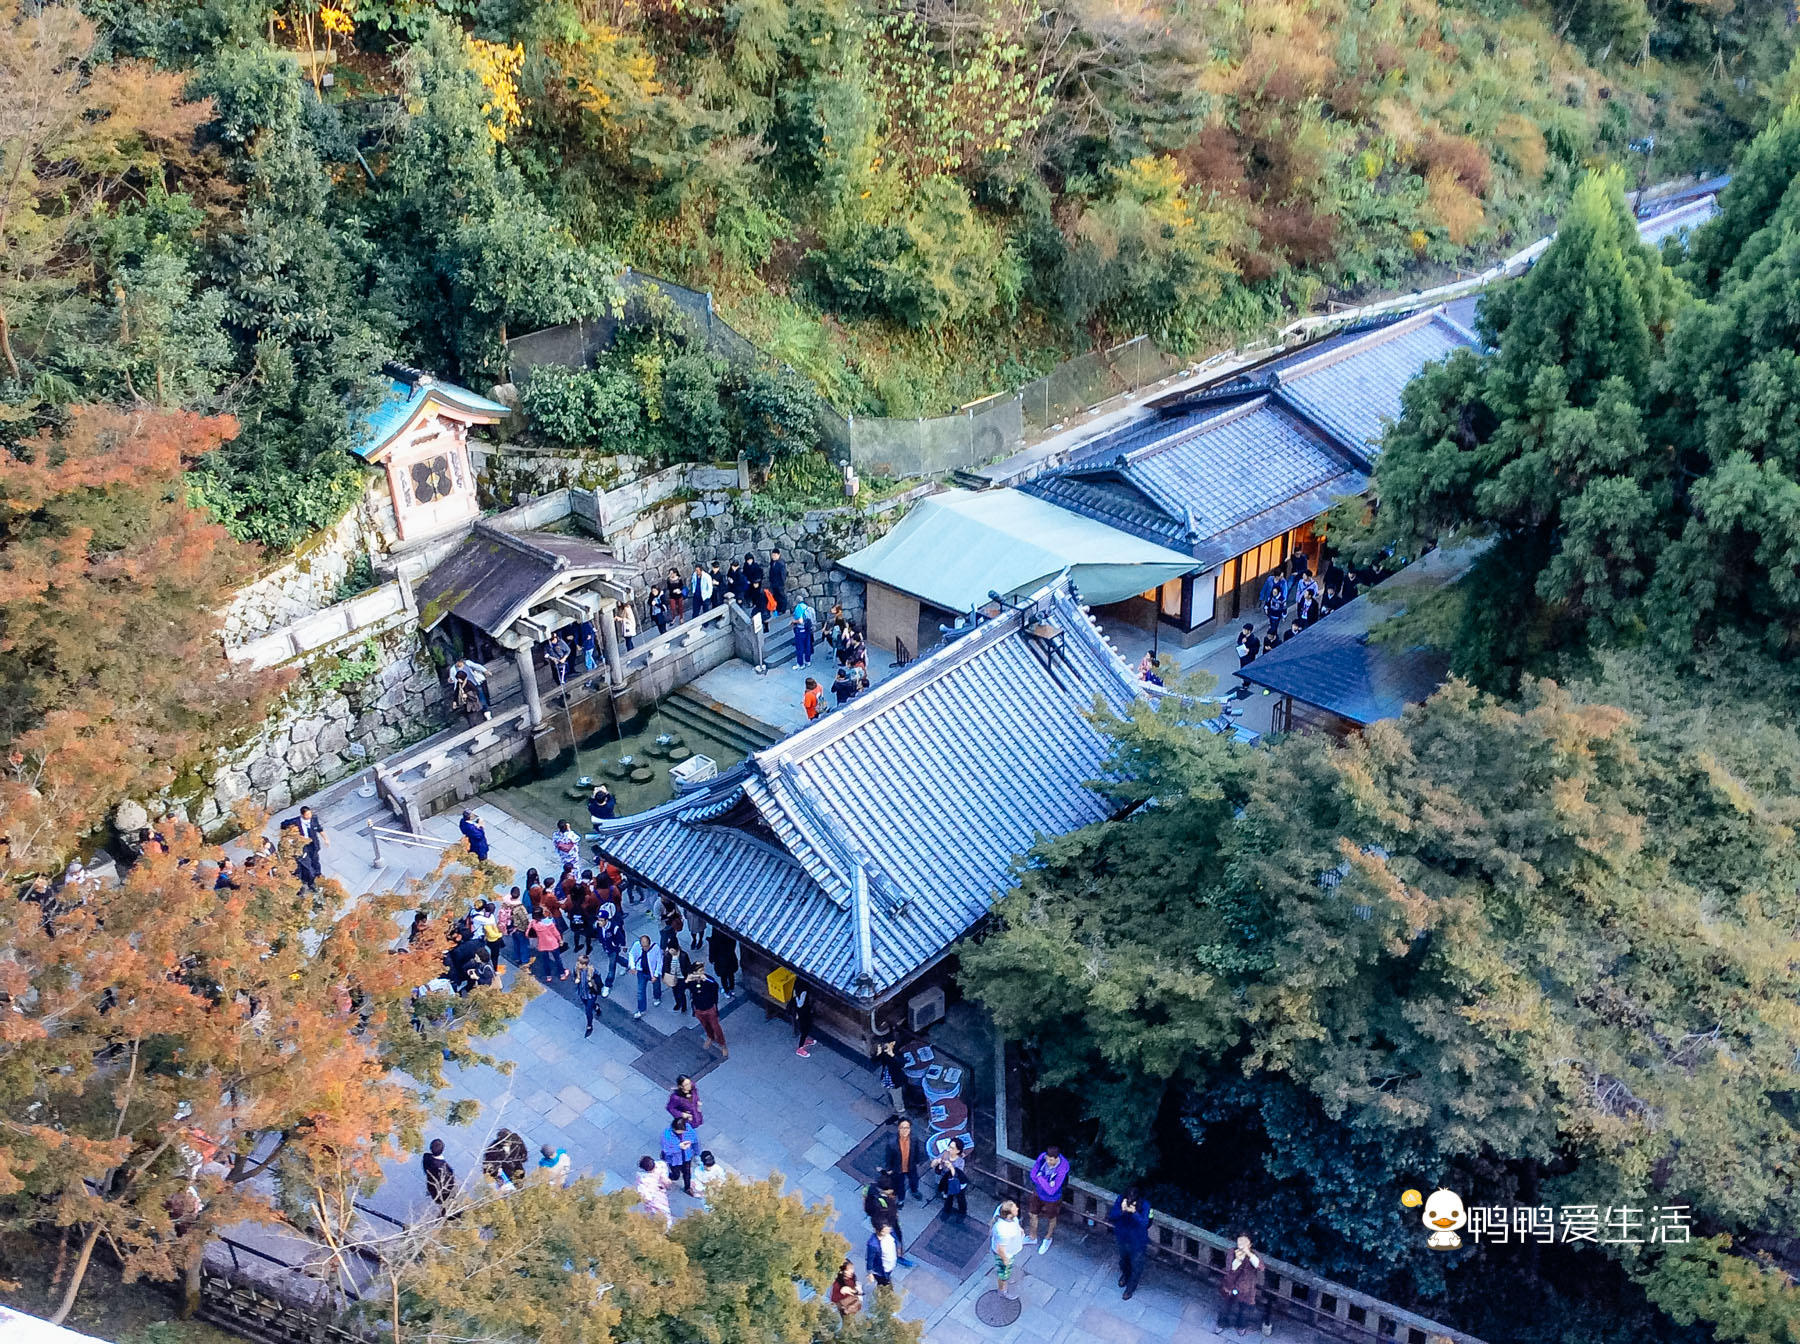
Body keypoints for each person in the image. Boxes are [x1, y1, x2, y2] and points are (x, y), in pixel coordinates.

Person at [1217, 1234, 1263, 1336]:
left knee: (1244, 1308)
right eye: (1239, 1242)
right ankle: (1221, 1323)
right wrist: (1238, 1260)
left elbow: (1260, 1267)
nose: (1241, 1245)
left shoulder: (1254, 1254)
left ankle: (1241, 1326)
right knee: (1225, 1305)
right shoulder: (1232, 1252)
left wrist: (1249, 1254)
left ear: (1250, 1244)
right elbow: (1230, 1269)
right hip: (1230, 1284)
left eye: (1244, 1242)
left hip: (1246, 1287)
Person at [1111, 1185, 1152, 1300]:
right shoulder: (1120, 1200)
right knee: (1123, 1261)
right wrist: (1122, 1211)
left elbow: (1144, 1223)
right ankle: (1125, 1274)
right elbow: (1112, 1216)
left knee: (1137, 1266)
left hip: (1137, 1242)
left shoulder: (1145, 1206)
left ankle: (1130, 1288)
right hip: (1122, 1238)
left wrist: (1134, 1213)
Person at [1029, 1144, 1070, 1254]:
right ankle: (1032, 1237)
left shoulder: (1062, 1169)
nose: (1048, 1162)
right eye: (1047, 1159)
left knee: (1051, 1218)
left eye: (1051, 1160)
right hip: (1038, 1192)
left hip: (1053, 1199)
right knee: (1032, 1213)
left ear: (1057, 1158)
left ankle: (1048, 1238)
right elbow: (1032, 1174)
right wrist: (1045, 1183)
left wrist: (1040, 1178)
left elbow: (1052, 1190)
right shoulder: (1043, 1157)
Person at [281, 806, 327, 890]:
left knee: (315, 860)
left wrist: (326, 839)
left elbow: (319, 829)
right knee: (307, 863)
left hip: (313, 844)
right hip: (303, 845)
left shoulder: (314, 819)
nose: (309, 815)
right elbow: (283, 824)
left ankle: (318, 874)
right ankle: (310, 880)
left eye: (310, 813)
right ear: (302, 815)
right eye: (307, 814)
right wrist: (288, 833)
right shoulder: (296, 821)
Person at [990, 1200, 1026, 1300]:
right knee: (1003, 1274)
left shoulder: (1006, 1215)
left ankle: (1006, 1274)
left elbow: (1016, 1224)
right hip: (1006, 1255)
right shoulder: (1003, 1231)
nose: (1017, 1209)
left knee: (1005, 1270)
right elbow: (1000, 1249)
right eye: (1015, 1209)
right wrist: (1005, 1261)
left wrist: (1020, 1230)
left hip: (1010, 1251)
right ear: (1009, 1215)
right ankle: (1002, 1290)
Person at [690, 965, 727, 1057]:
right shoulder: (691, 981)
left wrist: (705, 979)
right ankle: (710, 1037)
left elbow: (715, 985)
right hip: (698, 1008)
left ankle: (722, 1044)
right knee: (705, 1025)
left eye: (702, 971)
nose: (701, 973)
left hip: (709, 1008)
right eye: (699, 971)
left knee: (716, 1027)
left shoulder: (708, 980)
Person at [884, 1118, 922, 1204]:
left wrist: (918, 1161)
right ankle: (901, 1200)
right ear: (898, 1128)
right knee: (900, 1186)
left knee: (914, 1180)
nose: (905, 1130)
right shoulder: (892, 1142)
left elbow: (917, 1150)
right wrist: (889, 1168)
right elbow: (888, 1157)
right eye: (902, 1128)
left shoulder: (914, 1138)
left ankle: (914, 1191)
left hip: (911, 1166)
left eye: (907, 1128)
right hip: (898, 1168)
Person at [932, 1138, 968, 1219]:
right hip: (947, 1182)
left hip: (958, 1184)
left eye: (952, 1148)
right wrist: (937, 1161)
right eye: (949, 1146)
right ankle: (946, 1211)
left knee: (961, 1199)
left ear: (958, 1151)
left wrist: (951, 1167)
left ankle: (962, 1213)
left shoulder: (960, 1161)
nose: (949, 1149)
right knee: (949, 1198)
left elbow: (957, 1176)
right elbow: (932, 1165)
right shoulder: (945, 1154)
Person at [636, 1155, 674, 1230]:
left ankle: (664, 1228)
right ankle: (668, 1227)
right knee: (665, 1212)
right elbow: (667, 1180)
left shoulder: (644, 1179)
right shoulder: (661, 1165)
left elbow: (645, 1197)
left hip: (655, 1199)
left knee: (658, 1213)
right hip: (661, 1195)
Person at [661, 1116, 696, 1196]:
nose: (682, 1133)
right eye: (680, 1131)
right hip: (674, 1160)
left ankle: (687, 1188)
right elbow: (666, 1150)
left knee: (687, 1173)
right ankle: (668, 1176)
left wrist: (696, 1151)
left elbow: (694, 1139)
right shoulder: (666, 1135)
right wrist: (678, 1147)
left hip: (686, 1156)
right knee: (676, 1175)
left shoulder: (688, 1129)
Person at [872, 1034, 906, 1117]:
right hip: (886, 1080)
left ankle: (902, 1115)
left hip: (895, 1082)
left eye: (886, 1044)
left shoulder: (897, 1053)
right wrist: (878, 1053)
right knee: (890, 1095)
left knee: (898, 1100)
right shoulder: (884, 1054)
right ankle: (894, 1109)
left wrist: (892, 1055)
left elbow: (902, 1063)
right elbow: (874, 1061)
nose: (885, 1047)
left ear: (892, 1044)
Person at [531, 908, 569, 982]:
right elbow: (556, 933)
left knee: (545, 961)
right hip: (552, 944)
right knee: (557, 959)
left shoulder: (533, 923)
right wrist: (560, 940)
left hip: (542, 945)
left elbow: (528, 931)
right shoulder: (549, 923)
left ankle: (548, 976)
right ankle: (562, 974)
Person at [632, 933, 664, 1018]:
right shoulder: (636, 945)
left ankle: (657, 996)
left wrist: (656, 975)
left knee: (656, 986)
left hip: (652, 972)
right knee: (640, 991)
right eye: (643, 946)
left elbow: (659, 962)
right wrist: (632, 966)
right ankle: (641, 1009)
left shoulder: (656, 948)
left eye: (646, 946)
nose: (644, 948)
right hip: (641, 972)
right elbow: (631, 954)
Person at [596, 909, 627, 995]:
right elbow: (600, 935)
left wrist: (622, 945)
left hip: (613, 949)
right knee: (617, 959)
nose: (599, 922)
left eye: (601, 920)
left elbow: (621, 937)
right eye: (598, 919)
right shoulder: (599, 926)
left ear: (606, 920)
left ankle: (608, 985)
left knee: (611, 967)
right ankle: (627, 964)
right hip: (607, 948)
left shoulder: (614, 927)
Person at [574, 952, 603, 1036]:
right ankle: (597, 1007)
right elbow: (575, 977)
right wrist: (576, 980)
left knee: (588, 1010)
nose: (577, 964)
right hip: (582, 993)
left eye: (579, 963)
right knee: (588, 1005)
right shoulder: (576, 969)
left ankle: (589, 1026)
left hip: (591, 994)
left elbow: (598, 980)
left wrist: (593, 984)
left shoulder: (592, 971)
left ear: (584, 964)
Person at [422, 1139, 455, 1211]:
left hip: (431, 1186)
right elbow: (450, 1183)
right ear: (443, 1150)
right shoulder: (446, 1168)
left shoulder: (426, 1157)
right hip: (441, 1192)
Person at [502, 887, 531, 963]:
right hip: (520, 929)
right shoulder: (520, 907)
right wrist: (528, 928)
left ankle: (517, 957)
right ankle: (524, 960)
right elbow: (524, 919)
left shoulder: (506, 904)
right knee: (523, 945)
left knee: (516, 943)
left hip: (511, 928)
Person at [866, 1223, 898, 1288]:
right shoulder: (873, 1244)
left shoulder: (889, 1233)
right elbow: (870, 1259)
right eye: (887, 1227)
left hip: (890, 1265)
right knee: (884, 1283)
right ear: (881, 1231)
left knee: (888, 1278)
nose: (890, 1228)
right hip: (882, 1270)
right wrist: (870, 1273)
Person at [708, 927, 738, 994]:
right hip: (730, 958)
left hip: (720, 960)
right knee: (731, 974)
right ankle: (731, 988)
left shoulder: (715, 938)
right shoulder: (729, 934)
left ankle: (726, 990)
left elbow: (712, 949)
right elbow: (733, 944)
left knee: (723, 977)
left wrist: (712, 959)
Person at [792, 979, 816, 1056]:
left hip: (799, 1012)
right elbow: (800, 1004)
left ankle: (805, 1041)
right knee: (805, 1030)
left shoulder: (795, 989)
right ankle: (800, 1048)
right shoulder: (804, 991)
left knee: (805, 1028)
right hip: (804, 1013)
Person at [791, 599, 815, 668]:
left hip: (800, 630)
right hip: (808, 629)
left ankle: (800, 664)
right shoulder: (807, 607)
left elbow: (800, 621)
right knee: (807, 645)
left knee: (799, 647)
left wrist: (793, 621)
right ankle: (808, 661)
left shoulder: (798, 608)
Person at [748, 598, 768, 674]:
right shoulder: (764, 605)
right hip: (765, 616)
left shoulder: (755, 610)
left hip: (761, 618)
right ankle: (766, 629)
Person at [768, 547, 788, 613]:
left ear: (778, 555)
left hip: (779, 584)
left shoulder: (781, 564)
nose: (773, 557)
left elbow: (783, 575)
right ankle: (778, 609)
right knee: (776, 596)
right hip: (774, 583)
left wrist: (782, 583)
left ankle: (783, 609)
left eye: (775, 555)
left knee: (781, 596)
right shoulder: (772, 562)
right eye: (772, 555)